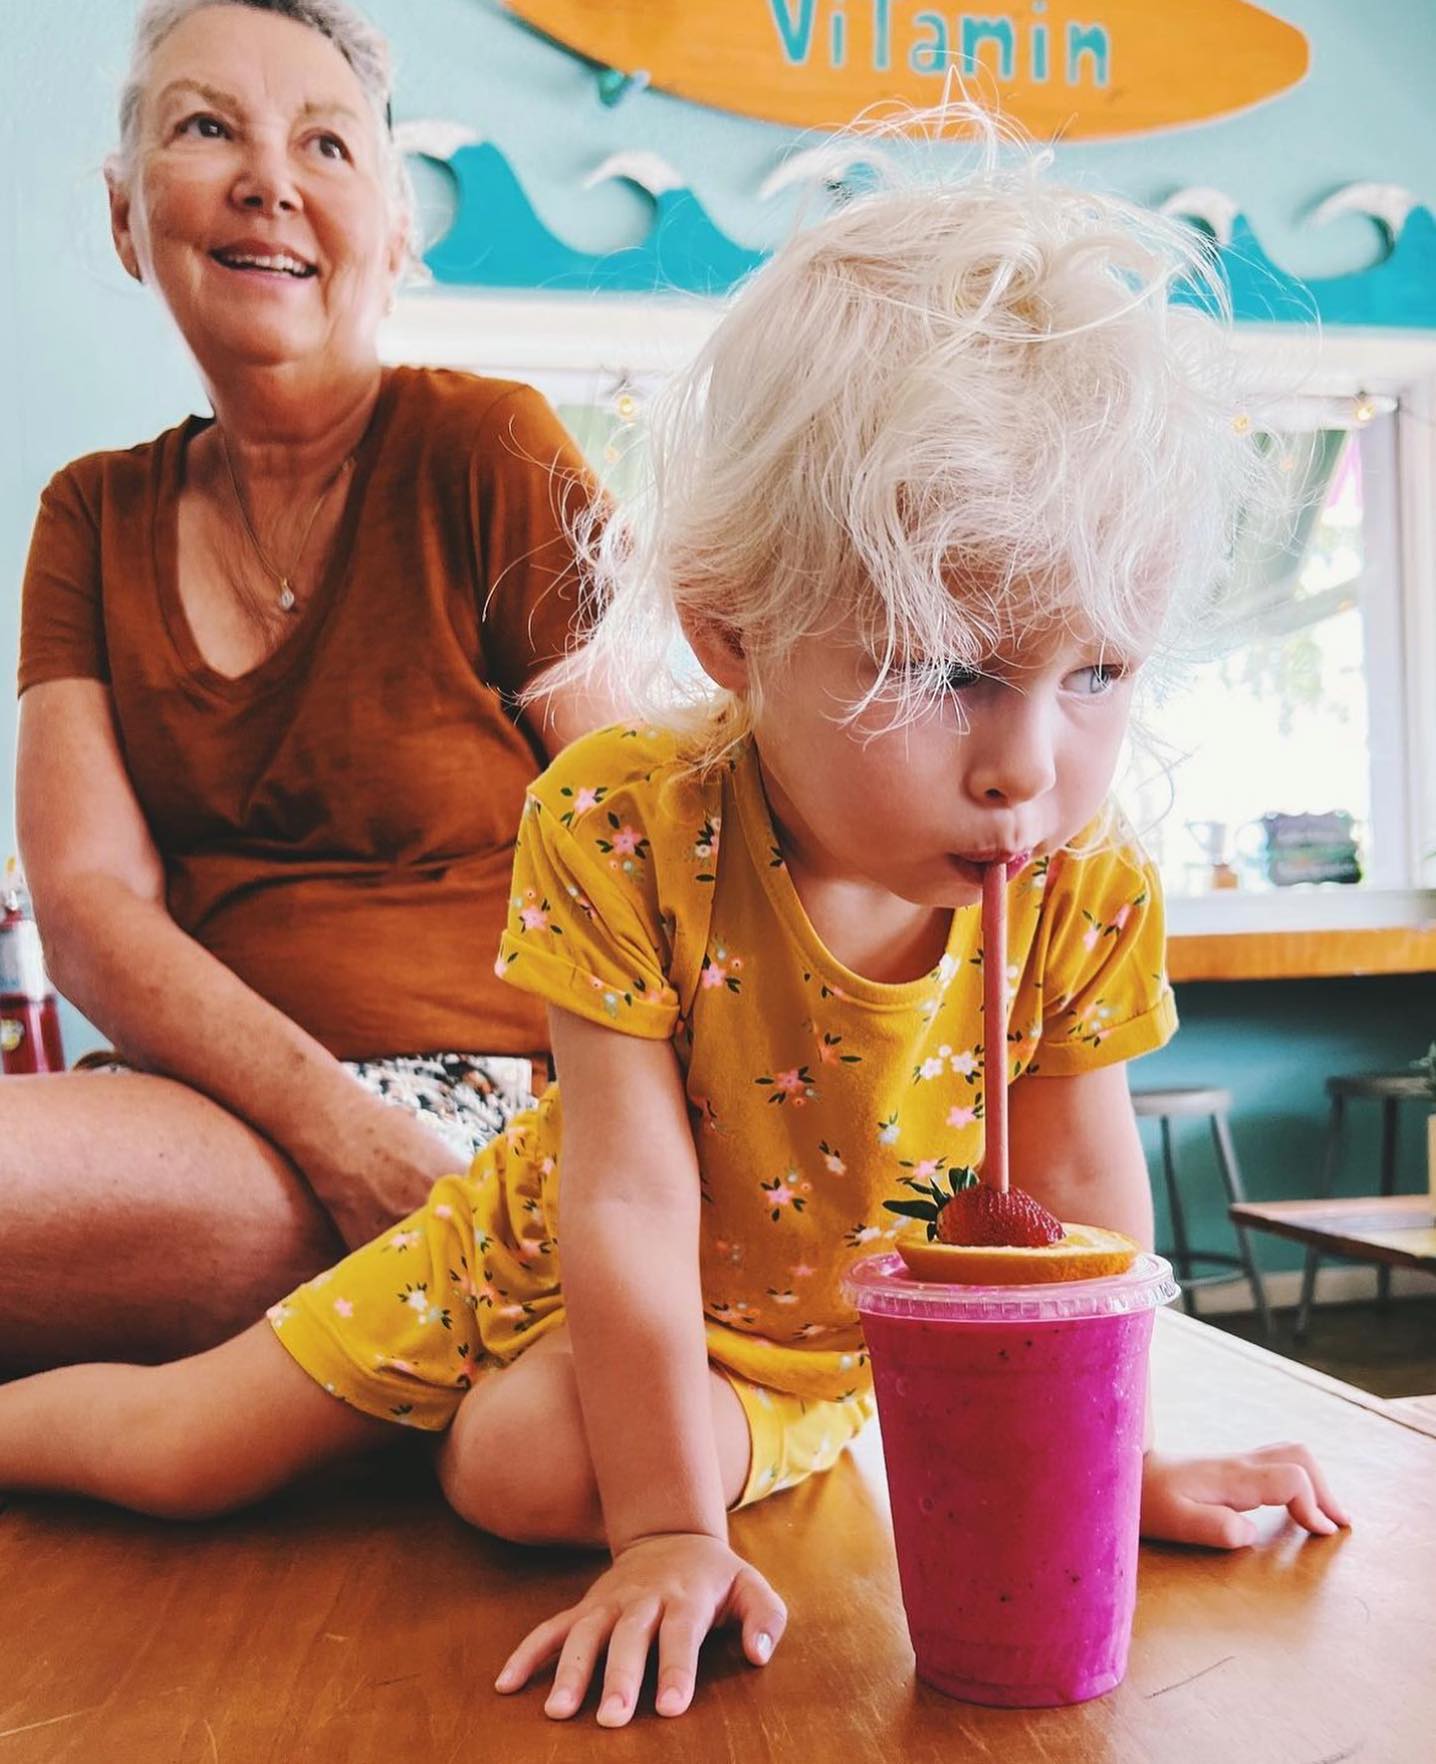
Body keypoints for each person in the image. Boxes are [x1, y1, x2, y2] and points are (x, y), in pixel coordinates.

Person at [0, 126, 1349, 1725]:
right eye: (948, 669)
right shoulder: (627, 821)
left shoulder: (1083, 882)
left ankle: (509, 1445)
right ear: (733, 626)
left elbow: (1079, 1214)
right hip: (519, 1253)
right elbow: (628, 1199)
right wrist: (665, 1537)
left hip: (790, 1358)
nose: (1026, 768)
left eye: (1100, 672)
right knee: (180, 1453)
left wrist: (1113, 1469)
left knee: (517, 1469)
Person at [5, 0, 608, 1371]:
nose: (268, 180)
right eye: (206, 127)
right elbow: (89, 907)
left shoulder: (489, 449)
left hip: (480, 1124)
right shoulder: (90, 515)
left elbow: (660, 852)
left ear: (394, 231)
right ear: (125, 216)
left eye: (326, 145)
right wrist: (340, 1138)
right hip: (221, 1109)